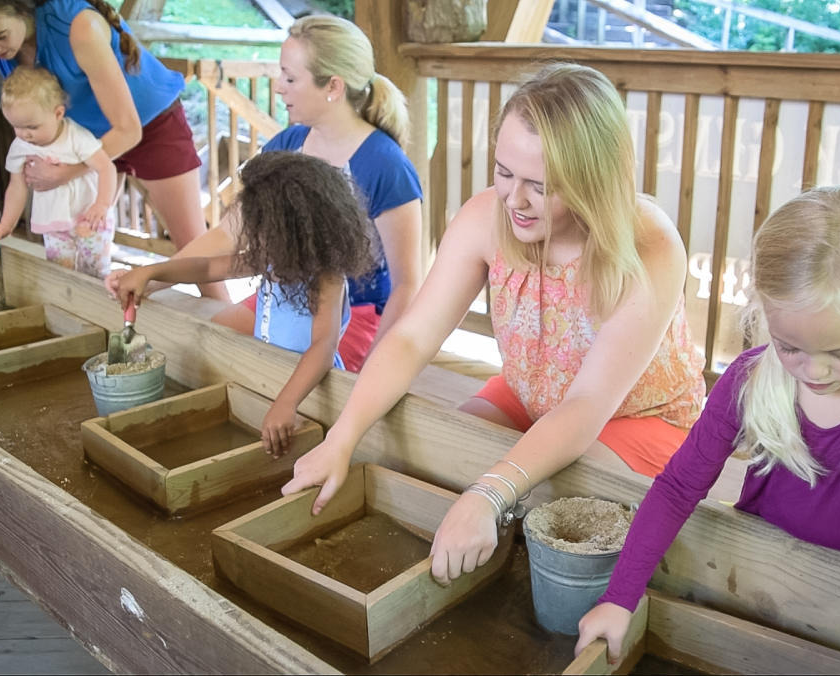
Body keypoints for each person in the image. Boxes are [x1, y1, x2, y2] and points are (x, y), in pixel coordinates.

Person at [282, 63, 706, 585]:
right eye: (504, 172)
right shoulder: (488, 215)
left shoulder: (649, 245)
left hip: (639, 412)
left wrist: (488, 493)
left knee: (561, 493)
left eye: (540, 185)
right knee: (448, 452)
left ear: (593, 180)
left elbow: (588, 404)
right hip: (533, 388)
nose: (514, 199)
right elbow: (413, 338)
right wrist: (341, 439)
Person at [575, 183, 840, 675]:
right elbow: (679, 487)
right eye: (790, 347)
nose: (815, 372)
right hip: (759, 582)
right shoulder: (749, 381)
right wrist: (621, 598)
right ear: (764, 310)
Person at [119, 14, 422, 372]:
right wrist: (157, 275)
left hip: (352, 314)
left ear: (334, 87)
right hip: (281, 298)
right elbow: (228, 233)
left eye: (290, 78)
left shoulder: (385, 165)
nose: (279, 87)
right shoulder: (286, 146)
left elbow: (406, 284)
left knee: (291, 379)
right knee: (209, 354)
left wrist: (379, 367)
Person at [0, 0, 227, 300]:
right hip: (83, 137)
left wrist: (68, 172)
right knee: (86, 250)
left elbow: (127, 129)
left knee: (193, 254)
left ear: (22, 7)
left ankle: (234, 339)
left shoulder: (79, 26)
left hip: (148, 122)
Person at [111, 151, 374, 456]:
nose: (251, 238)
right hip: (270, 371)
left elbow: (323, 347)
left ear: (292, 232)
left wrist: (286, 403)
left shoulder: (327, 277)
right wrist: (151, 272)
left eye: (261, 229)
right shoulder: (273, 260)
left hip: (313, 391)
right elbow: (207, 268)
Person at [0, 65, 116, 278]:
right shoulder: (20, 146)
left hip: (90, 219)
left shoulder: (75, 136)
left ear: (58, 113)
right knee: (60, 273)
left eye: (32, 127)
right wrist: (7, 223)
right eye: (16, 126)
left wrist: (102, 204)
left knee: (95, 273)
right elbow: (17, 185)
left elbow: (106, 167)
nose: (24, 134)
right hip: (53, 222)